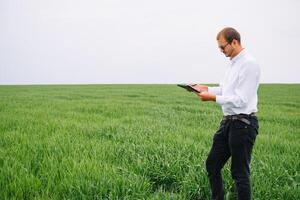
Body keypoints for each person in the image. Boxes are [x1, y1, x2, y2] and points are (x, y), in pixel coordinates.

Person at [190, 27, 260, 200]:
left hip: (243, 124)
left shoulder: (249, 64)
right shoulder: (233, 63)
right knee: (212, 165)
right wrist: (205, 88)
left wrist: (212, 98)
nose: (221, 51)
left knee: (239, 173)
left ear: (234, 42)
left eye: (223, 47)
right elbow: (225, 89)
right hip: (228, 123)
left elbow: (241, 99)